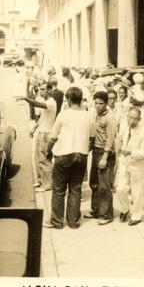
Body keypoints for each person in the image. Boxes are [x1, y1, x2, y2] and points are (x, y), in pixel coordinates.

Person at [44, 87, 95, 229]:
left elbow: (53, 136)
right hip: (81, 155)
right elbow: (92, 136)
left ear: (69, 99)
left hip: (63, 154)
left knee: (59, 190)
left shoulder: (63, 114)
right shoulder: (88, 115)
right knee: (75, 189)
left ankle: (57, 221)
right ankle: (73, 221)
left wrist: (48, 151)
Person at [15, 82, 57, 192]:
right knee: (38, 159)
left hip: (46, 135)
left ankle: (47, 184)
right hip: (41, 133)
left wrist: (25, 98)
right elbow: (42, 118)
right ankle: (40, 181)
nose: (41, 91)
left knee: (44, 160)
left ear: (49, 90)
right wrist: (34, 128)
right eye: (40, 89)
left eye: (43, 89)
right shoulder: (46, 102)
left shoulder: (51, 103)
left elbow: (35, 104)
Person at [85, 91, 117, 225]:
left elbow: (110, 139)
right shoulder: (96, 115)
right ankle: (96, 210)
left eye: (101, 103)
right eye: (96, 103)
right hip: (96, 151)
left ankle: (106, 214)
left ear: (106, 103)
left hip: (106, 153)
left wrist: (104, 157)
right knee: (94, 183)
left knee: (104, 185)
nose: (98, 106)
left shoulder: (110, 118)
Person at [116, 107, 144, 226]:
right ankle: (125, 209)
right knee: (120, 188)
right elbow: (119, 141)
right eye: (130, 118)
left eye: (135, 119)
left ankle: (136, 216)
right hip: (124, 162)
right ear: (127, 117)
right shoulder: (125, 128)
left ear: (139, 119)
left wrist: (131, 152)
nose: (132, 121)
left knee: (137, 192)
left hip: (138, 164)